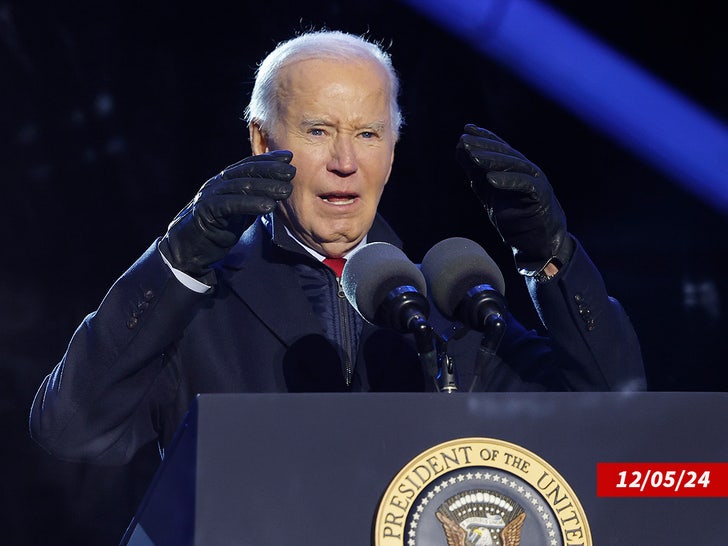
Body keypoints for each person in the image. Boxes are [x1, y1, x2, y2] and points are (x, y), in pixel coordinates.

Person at [29, 30, 645, 465]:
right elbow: (70, 432)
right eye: (319, 131)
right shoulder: (194, 306)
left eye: (368, 133)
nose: (346, 162)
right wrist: (176, 262)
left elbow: (616, 425)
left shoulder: (453, 304)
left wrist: (552, 260)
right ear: (262, 140)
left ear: (393, 152)